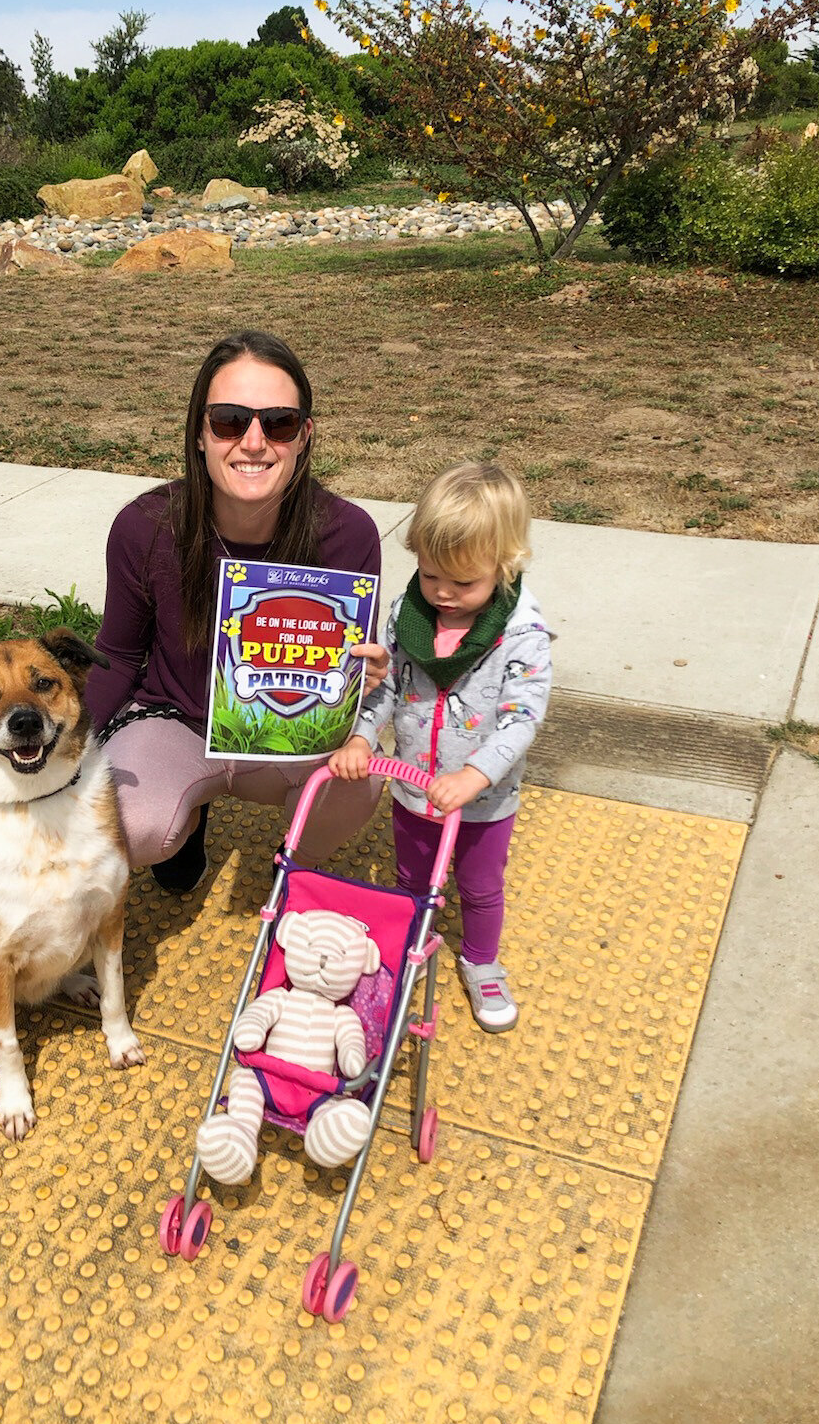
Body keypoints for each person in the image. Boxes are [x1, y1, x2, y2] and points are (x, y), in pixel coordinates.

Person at [87, 330, 386, 891]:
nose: (253, 442)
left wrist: (365, 680)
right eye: (228, 420)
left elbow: (351, 667)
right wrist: (66, 747)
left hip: (289, 730)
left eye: (279, 423)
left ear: (304, 437)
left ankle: (291, 857)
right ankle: (184, 821)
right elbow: (119, 652)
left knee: (357, 785)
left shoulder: (347, 535)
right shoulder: (147, 527)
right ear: (199, 433)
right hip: (174, 721)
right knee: (128, 824)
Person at [328, 463, 552, 1032]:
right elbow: (389, 687)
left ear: (505, 568)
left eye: (464, 583)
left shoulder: (521, 635)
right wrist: (361, 734)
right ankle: (411, 942)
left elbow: (521, 720)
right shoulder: (410, 616)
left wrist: (476, 776)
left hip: (481, 801)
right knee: (411, 878)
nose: (444, 595)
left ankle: (481, 962)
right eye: (430, 577)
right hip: (412, 786)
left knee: (479, 886)